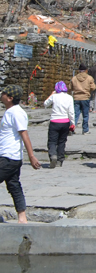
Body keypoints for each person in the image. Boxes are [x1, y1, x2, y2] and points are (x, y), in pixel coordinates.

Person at [0, 85, 42, 223]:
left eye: (4, 94)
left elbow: (24, 134)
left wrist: (31, 156)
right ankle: (22, 218)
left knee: (14, 185)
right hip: (11, 156)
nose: (1, 95)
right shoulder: (10, 111)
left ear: (10, 98)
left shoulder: (16, 113)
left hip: (8, 157)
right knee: (13, 185)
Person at [43, 81, 75, 168]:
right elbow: (71, 112)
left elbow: (45, 104)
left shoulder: (54, 96)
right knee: (62, 142)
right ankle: (60, 160)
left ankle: (53, 155)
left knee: (52, 141)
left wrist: (51, 94)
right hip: (65, 122)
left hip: (54, 121)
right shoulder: (69, 97)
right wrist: (72, 122)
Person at [71, 64, 96, 134]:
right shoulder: (89, 78)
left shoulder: (74, 78)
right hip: (85, 97)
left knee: (75, 114)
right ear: (86, 70)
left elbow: (70, 87)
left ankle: (72, 128)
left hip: (76, 97)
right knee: (85, 115)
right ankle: (85, 129)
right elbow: (93, 87)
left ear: (79, 71)